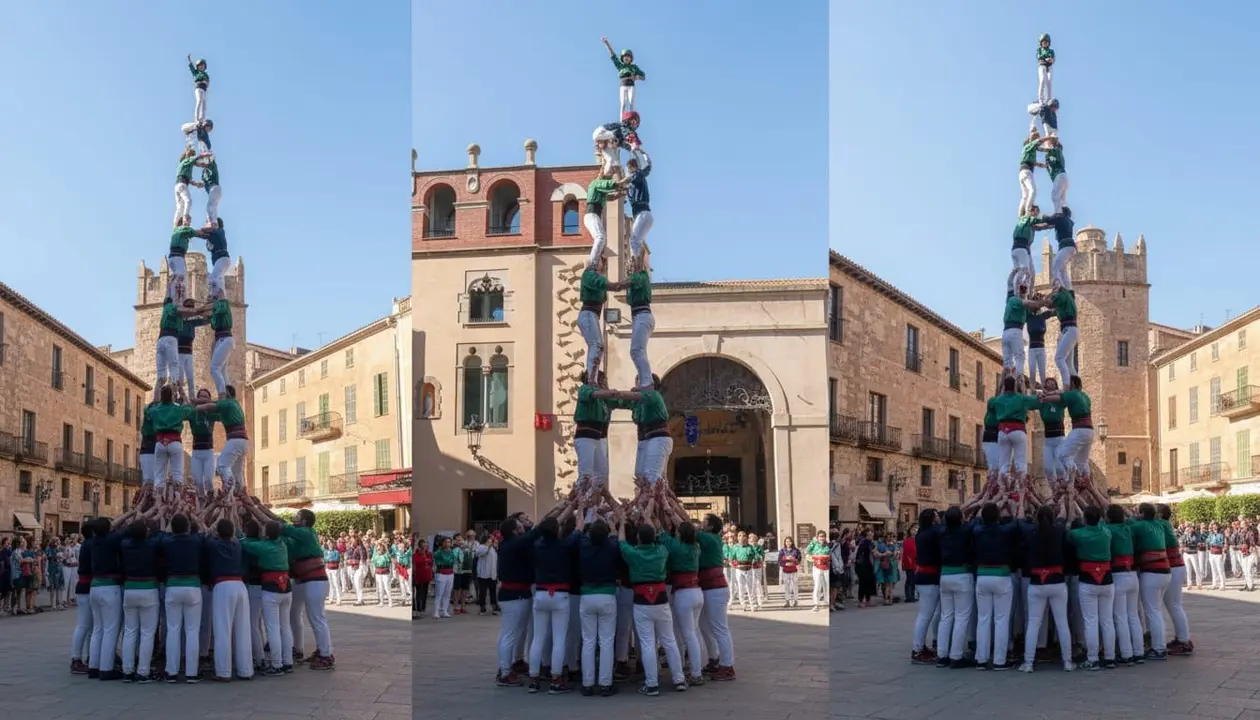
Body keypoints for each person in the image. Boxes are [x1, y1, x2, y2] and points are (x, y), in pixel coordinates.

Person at [619, 521, 687, 696]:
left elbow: (621, 542)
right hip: (661, 599)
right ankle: (679, 679)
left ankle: (652, 684)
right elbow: (663, 536)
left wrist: (618, 523)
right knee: (669, 641)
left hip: (641, 601)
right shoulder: (662, 552)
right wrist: (651, 518)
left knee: (647, 642)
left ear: (639, 538)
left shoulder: (633, 554)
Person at [1018, 506, 1072, 673]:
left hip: (1036, 583)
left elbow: (1019, 519)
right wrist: (1066, 501)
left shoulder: (1030, 532)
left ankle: (1028, 662)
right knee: (1062, 623)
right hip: (1057, 581)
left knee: (1033, 623)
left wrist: (1021, 497)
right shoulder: (1059, 531)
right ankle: (1067, 661)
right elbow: (1063, 515)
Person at [574, 508, 622, 697]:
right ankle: (605, 683)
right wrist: (611, 524)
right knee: (607, 641)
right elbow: (617, 537)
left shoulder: (583, 545)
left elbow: (579, 531)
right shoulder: (611, 545)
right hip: (607, 595)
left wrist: (586, 509)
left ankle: (587, 683)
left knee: (588, 641)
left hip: (586, 595)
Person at [280, 509, 335, 670]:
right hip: (300, 579)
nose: (293, 519)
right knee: (293, 613)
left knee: (316, 617)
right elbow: (281, 528)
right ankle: (297, 649)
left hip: (315, 580)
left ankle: (326, 655)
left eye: (297, 517)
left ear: (304, 522)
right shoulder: (296, 538)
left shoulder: (307, 532)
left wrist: (254, 508)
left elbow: (281, 526)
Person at [240, 520, 294, 677]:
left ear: (268, 534)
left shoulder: (263, 547)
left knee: (272, 627)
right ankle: (287, 662)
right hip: (287, 587)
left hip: (271, 588)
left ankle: (276, 664)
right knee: (285, 626)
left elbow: (243, 543)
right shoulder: (283, 544)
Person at [1067, 506, 1117, 670]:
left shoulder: (1078, 534)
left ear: (1084, 519)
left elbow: (1067, 529)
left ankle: (1093, 658)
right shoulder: (1106, 532)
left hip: (1088, 579)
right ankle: (1110, 657)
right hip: (1107, 579)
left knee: (1090, 621)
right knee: (1107, 620)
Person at [971, 503, 1019, 670]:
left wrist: (992, 498)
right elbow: (1017, 521)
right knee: (1001, 620)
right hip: (1001, 576)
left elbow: (975, 519)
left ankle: (981, 659)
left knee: (983, 619)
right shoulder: (1005, 531)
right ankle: (1000, 659)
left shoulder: (977, 531)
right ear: (998, 516)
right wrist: (1012, 501)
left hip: (982, 576)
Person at [204, 518, 252, 681]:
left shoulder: (213, 544)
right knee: (243, 629)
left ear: (218, 532)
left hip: (223, 585)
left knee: (223, 629)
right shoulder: (238, 545)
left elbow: (206, 532)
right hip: (240, 586)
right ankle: (245, 670)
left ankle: (223, 671)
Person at [119, 513, 164, 683]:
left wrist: (136, 514)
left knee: (130, 631)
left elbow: (122, 532)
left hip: (130, 589)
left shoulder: (124, 545)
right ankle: (143, 671)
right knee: (147, 633)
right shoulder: (152, 546)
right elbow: (162, 534)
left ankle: (127, 670)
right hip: (148, 589)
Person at [1130, 503, 1172, 660]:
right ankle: (1159, 644)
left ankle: (1159, 648)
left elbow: (1125, 522)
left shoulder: (1139, 526)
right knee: (1157, 611)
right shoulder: (1160, 525)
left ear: (1141, 514)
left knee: (1153, 611)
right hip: (1165, 571)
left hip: (1152, 572)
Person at [696, 515, 735, 681]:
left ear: (711, 527)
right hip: (705, 587)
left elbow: (686, 524)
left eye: (705, 521)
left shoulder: (711, 539)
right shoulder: (709, 538)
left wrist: (669, 505)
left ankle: (727, 665)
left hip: (715, 589)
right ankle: (714, 658)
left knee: (720, 628)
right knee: (704, 626)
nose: (701, 523)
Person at [87, 517, 127, 680]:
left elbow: (111, 527)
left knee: (98, 629)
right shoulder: (114, 539)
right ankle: (106, 668)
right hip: (110, 586)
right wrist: (131, 514)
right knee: (111, 629)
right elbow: (121, 528)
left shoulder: (94, 541)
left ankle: (93, 666)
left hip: (95, 586)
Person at [934, 508, 973, 668]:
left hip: (945, 575)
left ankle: (942, 655)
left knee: (946, 616)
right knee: (962, 616)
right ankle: (956, 655)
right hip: (962, 574)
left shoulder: (942, 533)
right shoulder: (965, 532)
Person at [577, 260, 625, 382]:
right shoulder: (589, 274)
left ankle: (592, 376)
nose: (603, 264)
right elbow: (605, 284)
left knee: (598, 347)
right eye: (600, 261)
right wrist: (619, 285)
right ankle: (591, 378)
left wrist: (620, 285)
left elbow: (606, 285)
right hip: (588, 315)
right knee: (596, 345)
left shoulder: (598, 278)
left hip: (591, 316)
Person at [1156, 504, 1194, 656]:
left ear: (1159, 515)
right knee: (1174, 604)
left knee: (1173, 604)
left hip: (1173, 566)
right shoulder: (1165, 524)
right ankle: (1182, 638)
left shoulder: (1160, 525)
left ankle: (1183, 640)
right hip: (1176, 566)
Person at [1040, 376, 1093, 482]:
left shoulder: (1072, 394)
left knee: (1062, 454)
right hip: (1090, 431)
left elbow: (1051, 398)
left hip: (1080, 430)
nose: (1066, 386)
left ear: (1072, 384)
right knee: (1082, 461)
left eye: (1067, 384)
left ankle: (1076, 477)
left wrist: (1043, 397)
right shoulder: (1085, 396)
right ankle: (1086, 478)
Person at [195, 385, 248, 489]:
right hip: (244, 441)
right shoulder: (234, 404)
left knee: (222, 465)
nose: (219, 396)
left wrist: (198, 407)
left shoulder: (227, 403)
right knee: (237, 471)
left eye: (221, 394)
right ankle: (240, 492)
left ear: (227, 394)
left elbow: (209, 406)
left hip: (235, 440)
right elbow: (215, 415)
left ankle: (229, 489)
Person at [992, 373, 1041, 480]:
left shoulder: (998, 400)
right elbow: (1038, 402)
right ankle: (1021, 487)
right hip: (1017, 430)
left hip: (1002, 432)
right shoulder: (1022, 398)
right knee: (1020, 462)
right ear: (1015, 386)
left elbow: (992, 408)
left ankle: (1003, 487)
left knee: (1004, 463)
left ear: (1004, 386)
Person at [146, 386, 195, 489]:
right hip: (175, 442)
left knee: (159, 474)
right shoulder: (178, 409)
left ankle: (159, 498)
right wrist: (183, 395)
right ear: (172, 396)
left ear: (161, 396)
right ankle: (177, 498)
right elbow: (191, 409)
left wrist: (155, 401)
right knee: (177, 473)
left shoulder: (155, 410)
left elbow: (147, 412)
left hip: (160, 442)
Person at [626, 251, 655, 390]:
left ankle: (646, 383)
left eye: (632, 263)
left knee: (637, 350)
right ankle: (644, 381)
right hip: (638, 316)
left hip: (642, 315)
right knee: (636, 351)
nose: (630, 267)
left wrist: (613, 285)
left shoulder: (641, 276)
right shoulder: (634, 280)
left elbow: (627, 283)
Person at [68, 524, 95, 675]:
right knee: (84, 625)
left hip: (85, 586)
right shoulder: (91, 544)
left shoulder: (86, 544)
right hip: (86, 587)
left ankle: (91, 656)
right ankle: (76, 658)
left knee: (91, 626)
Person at [1009, 208, 1052, 296]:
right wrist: (1051, 219)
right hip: (1020, 247)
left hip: (1025, 250)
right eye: (1036, 212)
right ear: (1031, 211)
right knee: (1024, 269)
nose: (1037, 214)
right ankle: (1016, 293)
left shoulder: (1030, 224)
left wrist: (1052, 225)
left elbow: (1040, 226)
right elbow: (1039, 221)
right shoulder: (1027, 219)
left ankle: (1028, 293)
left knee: (1031, 274)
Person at [583, 173, 622, 267]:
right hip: (591, 214)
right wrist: (624, 182)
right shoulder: (595, 184)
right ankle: (592, 263)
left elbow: (611, 197)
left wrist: (622, 193)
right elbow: (612, 184)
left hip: (594, 216)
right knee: (600, 237)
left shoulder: (600, 192)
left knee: (602, 238)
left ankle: (596, 260)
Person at [1043, 283, 1079, 383]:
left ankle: (1066, 386)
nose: (1053, 288)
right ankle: (1076, 387)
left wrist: (1042, 301)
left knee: (1059, 358)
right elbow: (1052, 310)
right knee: (1069, 364)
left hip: (1069, 330)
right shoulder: (1065, 299)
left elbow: (1050, 304)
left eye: (1054, 286)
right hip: (1068, 330)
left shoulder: (1062, 295)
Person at [622, 150, 653, 259]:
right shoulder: (637, 178)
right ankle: (639, 264)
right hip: (645, 215)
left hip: (642, 214)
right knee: (637, 242)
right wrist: (644, 153)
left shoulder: (637, 175)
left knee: (634, 241)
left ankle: (637, 266)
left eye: (628, 169)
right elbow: (649, 166)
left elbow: (630, 179)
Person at [601, 38, 645, 115]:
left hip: (631, 85)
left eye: (628, 56)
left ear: (631, 58)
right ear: (623, 58)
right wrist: (607, 43)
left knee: (631, 102)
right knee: (623, 104)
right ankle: (621, 121)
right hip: (623, 85)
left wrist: (637, 77)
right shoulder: (620, 66)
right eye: (625, 56)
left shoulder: (634, 67)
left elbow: (643, 76)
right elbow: (613, 55)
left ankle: (630, 117)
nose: (627, 58)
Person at [1001, 289, 1041, 374]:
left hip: (1006, 333)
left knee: (1007, 361)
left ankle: (1007, 382)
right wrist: (1043, 302)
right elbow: (1030, 304)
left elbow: (1031, 312)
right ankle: (1019, 380)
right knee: (1020, 357)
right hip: (1015, 331)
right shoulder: (1015, 300)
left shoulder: (1016, 304)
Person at [175, 301, 208, 401]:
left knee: (190, 378)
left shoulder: (191, 322)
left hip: (188, 352)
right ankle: (179, 397)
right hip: (180, 352)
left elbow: (205, 320)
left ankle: (192, 398)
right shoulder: (179, 320)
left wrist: (206, 310)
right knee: (180, 378)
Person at [591, 111, 642, 176]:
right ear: (630, 120)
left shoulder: (621, 134)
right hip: (600, 132)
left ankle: (605, 173)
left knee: (610, 159)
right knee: (615, 137)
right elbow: (626, 133)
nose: (634, 125)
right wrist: (633, 144)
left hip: (603, 139)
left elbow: (622, 143)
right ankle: (609, 144)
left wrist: (630, 149)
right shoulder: (623, 126)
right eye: (634, 122)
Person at [188, 389, 217, 498]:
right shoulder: (193, 412)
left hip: (208, 451)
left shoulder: (211, 412)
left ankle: (211, 500)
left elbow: (216, 405)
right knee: (198, 482)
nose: (203, 399)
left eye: (205, 396)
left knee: (209, 480)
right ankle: (201, 506)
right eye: (201, 396)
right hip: (196, 452)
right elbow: (187, 405)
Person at [174, 149, 214, 228]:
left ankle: (175, 225)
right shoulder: (187, 161)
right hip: (182, 185)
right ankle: (185, 217)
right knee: (188, 201)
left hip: (178, 186)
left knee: (180, 207)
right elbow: (197, 157)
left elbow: (188, 178)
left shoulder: (184, 165)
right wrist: (206, 154)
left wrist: (196, 184)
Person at [1037, 378, 1067, 484]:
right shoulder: (1042, 400)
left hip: (1059, 438)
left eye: (1052, 382)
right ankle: (1055, 492)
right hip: (1048, 439)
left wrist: (1050, 394)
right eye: (1047, 382)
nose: (1050, 383)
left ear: (1056, 385)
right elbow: (1034, 396)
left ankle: (1066, 490)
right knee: (1048, 469)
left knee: (1060, 468)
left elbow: (1065, 392)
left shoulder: (1060, 400)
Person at [1047, 207, 1077, 292]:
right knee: (1063, 270)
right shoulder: (1069, 221)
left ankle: (1060, 289)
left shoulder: (1061, 218)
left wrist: (1045, 217)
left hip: (1066, 246)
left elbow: (1048, 219)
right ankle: (1069, 291)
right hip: (1070, 247)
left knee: (1055, 267)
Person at [1017, 130, 1046, 217]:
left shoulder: (1028, 151)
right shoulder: (1028, 146)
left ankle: (1020, 215)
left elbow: (1035, 163)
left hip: (1023, 172)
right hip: (1026, 172)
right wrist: (1050, 138)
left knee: (1025, 196)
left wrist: (1044, 165)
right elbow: (1038, 142)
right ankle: (1027, 212)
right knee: (1033, 191)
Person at [1026, 308, 1054, 390]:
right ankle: (1032, 390)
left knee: (1042, 372)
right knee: (1032, 371)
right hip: (1032, 349)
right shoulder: (1029, 317)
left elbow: (1054, 311)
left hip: (1041, 348)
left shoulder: (1043, 316)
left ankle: (1045, 391)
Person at [1040, 136, 1069, 215]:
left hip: (1060, 175)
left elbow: (1043, 149)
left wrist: (1044, 141)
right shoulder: (1051, 156)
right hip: (1061, 177)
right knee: (1061, 200)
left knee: (1055, 196)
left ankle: (1058, 214)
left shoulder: (1057, 150)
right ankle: (1064, 215)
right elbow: (1046, 165)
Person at [805, 530, 831, 612]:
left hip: (826, 567)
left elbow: (830, 554)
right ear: (817, 537)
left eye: (823, 536)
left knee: (826, 585)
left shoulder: (828, 545)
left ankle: (827, 602)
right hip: (817, 567)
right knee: (817, 585)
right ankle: (816, 603)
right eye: (820, 536)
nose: (822, 538)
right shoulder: (814, 544)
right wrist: (813, 558)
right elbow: (807, 551)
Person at [776, 536, 801, 609]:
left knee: (794, 586)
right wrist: (784, 563)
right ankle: (787, 601)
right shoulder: (782, 551)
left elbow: (799, 559)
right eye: (786, 541)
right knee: (786, 586)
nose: (788, 543)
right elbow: (779, 560)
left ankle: (796, 600)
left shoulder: (796, 550)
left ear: (792, 542)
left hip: (794, 570)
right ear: (785, 542)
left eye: (789, 541)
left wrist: (794, 561)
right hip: (785, 571)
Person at [188, 55, 209, 123]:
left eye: (202, 65)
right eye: (199, 65)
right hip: (199, 87)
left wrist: (206, 82)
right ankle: (196, 118)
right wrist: (190, 61)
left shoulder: (206, 75)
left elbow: (208, 82)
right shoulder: (196, 72)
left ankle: (202, 119)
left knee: (204, 104)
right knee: (199, 101)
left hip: (204, 89)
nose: (201, 66)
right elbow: (192, 68)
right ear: (198, 67)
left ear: (204, 66)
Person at [202, 158, 222, 227]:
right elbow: (204, 182)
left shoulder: (212, 166)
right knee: (213, 206)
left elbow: (210, 161)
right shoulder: (204, 172)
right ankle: (213, 222)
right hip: (213, 190)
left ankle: (212, 223)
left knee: (210, 206)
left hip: (214, 188)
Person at [1036, 34, 1055, 105]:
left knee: (1049, 82)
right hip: (1042, 66)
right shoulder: (1039, 50)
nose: (1045, 43)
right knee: (1043, 80)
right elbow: (1039, 57)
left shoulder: (1051, 51)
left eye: (1046, 42)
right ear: (1041, 43)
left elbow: (1053, 59)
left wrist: (1051, 60)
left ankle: (1049, 99)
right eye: (1043, 42)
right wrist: (1046, 59)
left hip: (1049, 67)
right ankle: (1041, 99)